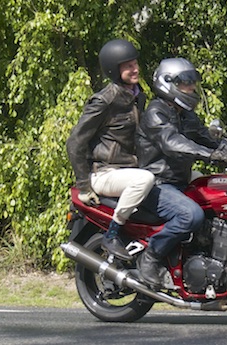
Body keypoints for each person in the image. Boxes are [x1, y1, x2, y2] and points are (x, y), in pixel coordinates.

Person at [136, 57, 227, 289]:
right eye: (185, 83)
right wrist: (210, 155)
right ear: (168, 83)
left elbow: (209, 140)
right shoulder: (156, 113)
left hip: (180, 183)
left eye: (192, 83)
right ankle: (151, 257)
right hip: (157, 184)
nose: (191, 88)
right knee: (191, 216)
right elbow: (172, 142)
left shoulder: (186, 115)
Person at [66, 39, 155, 261]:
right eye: (128, 66)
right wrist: (84, 186)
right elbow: (75, 142)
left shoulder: (137, 96)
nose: (135, 69)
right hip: (104, 173)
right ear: (114, 70)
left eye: (135, 64)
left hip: (128, 170)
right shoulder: (104, 100)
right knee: (144, 180)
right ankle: (112, 234)